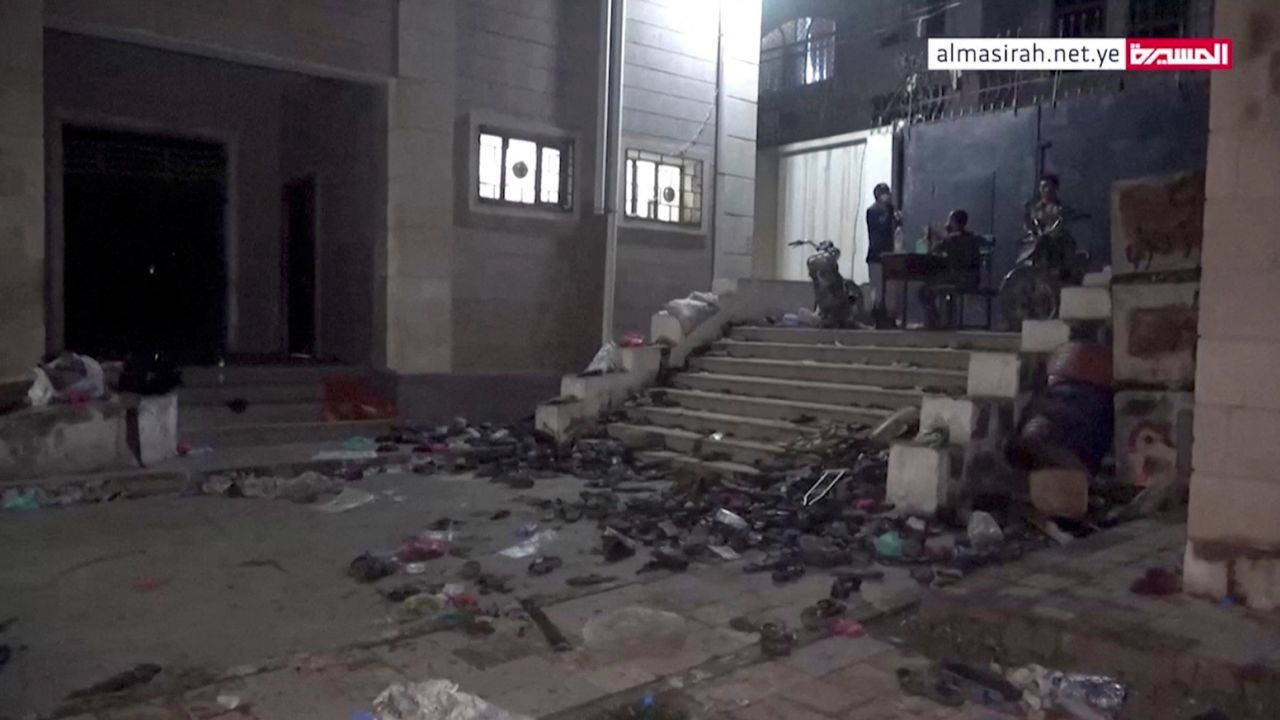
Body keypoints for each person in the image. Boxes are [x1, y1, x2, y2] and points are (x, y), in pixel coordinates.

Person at [919, 209, 983, 328]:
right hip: (974, 278)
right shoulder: (972, 237)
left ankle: (934, 319)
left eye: (949, 220)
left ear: (954, 222)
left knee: (924, 289)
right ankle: (946, 320)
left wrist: (932, 237)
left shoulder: (951, 240)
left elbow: (933, 250)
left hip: (959, 278)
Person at [865, 183, 902, 328]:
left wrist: (897, 219)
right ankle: (877, 316)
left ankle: (889, 316)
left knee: (890, 289)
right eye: (884, 193)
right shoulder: (872, 211)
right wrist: (889, 213)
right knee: (877, 289)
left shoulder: (890, 211)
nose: (887, 196)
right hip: (876, 255)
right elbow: (880, 226)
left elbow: (895, 228)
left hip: (889, 254)